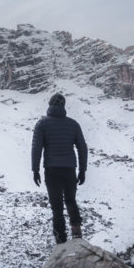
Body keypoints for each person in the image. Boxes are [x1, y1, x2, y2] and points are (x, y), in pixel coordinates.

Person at [31, 92, 88, 244]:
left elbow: (37, 148)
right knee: (71, 200)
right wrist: (83, 170)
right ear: (63, 106)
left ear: (49, 105)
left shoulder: (42, 124)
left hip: (51, 169)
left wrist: (35, 170)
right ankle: (76, 232)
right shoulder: (73, 124)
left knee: (56, 206)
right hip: (69, 169)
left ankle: (60, 239)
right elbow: (82, 148)